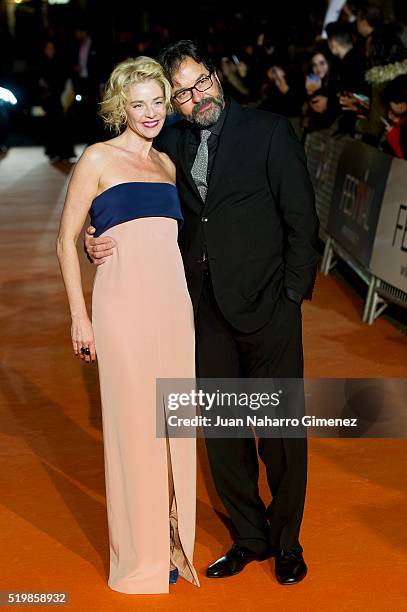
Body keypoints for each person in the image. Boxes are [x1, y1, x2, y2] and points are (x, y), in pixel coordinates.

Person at [85, 40, 320, 586]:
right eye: (183, 94)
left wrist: (290, 297)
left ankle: (287, 542)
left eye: (202, 83)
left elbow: (302, 222)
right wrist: (98, 233)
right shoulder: (164, 142)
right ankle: (248, 536)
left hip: (269, 308)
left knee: (280, 432)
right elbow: (129, 194)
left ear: (217, 75)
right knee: (223, 434)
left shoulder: (269, 131)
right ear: (172, 101)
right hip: (198, 311)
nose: (197, 98)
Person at [57, 56, 200, 595]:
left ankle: (174, 542)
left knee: (174, 429)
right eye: (137, 103)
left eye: (157, 102)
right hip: (120, 311)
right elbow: (65, 240)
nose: (149, 112)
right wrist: (80, 317)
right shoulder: (97, 158)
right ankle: (139, 557)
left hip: (173, 310)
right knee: (132, 432)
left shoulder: (167, 165)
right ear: (120, 106)